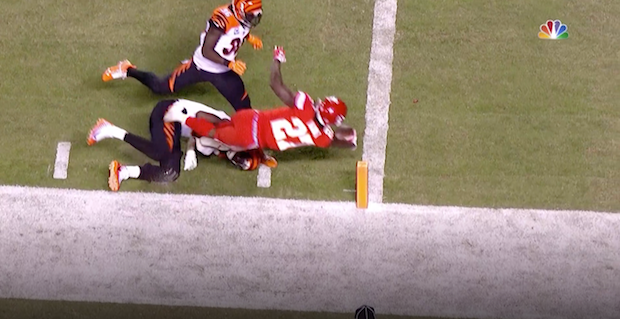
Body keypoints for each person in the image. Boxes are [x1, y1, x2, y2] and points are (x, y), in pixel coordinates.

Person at [164, 46, 358, 168]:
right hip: (252, 138)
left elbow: (276, 84)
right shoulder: (323, 137)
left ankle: (196, 125)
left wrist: (277, 60)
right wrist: (349, 140)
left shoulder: (304, 105)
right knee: (215, 133)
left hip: (252, 117)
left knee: (226, 122)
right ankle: (182, 118)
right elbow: (336, 139)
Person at [101, 0, 263, 111]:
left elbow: (238, 30)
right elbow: (207, 51)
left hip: (222, 73)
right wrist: (229, 64)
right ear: (240, 11)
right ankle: (127, 69)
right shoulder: (222, 20)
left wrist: (249, 38)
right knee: (159, 87)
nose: (253, 19)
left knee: (244, 108)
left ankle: (254, 150)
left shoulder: (241, 18)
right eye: (250, 15)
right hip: (202, 65)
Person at [87, 99, 231, 191]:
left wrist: (191, 149)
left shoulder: (222, 148)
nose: (239, 161)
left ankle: (123, 172)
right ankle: (110, 130)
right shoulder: (225, 125)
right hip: (169, 113)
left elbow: (198, 135)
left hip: (177, 128)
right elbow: (200, 118)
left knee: (170, 173)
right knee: (161, 152)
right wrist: (194, 149)